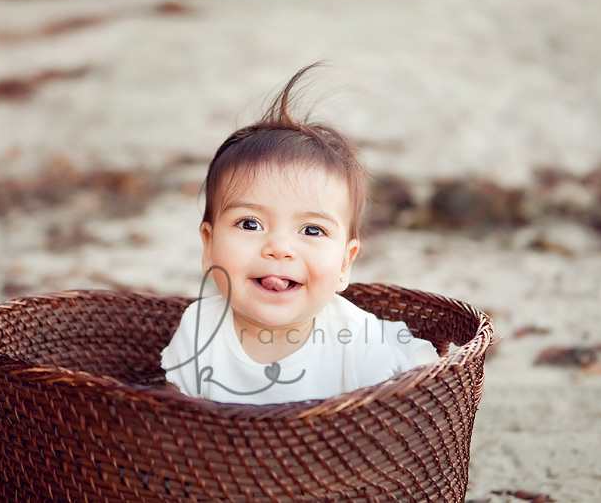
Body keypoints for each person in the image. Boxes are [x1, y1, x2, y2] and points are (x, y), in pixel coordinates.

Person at [161, 64, 438, 404]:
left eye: (311, 229)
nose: (279, 248)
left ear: (344, 264)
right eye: (250, 224)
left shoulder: (359, 342)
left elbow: (429, 391)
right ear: (209, 245)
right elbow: (174, 414)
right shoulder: (199, 328)